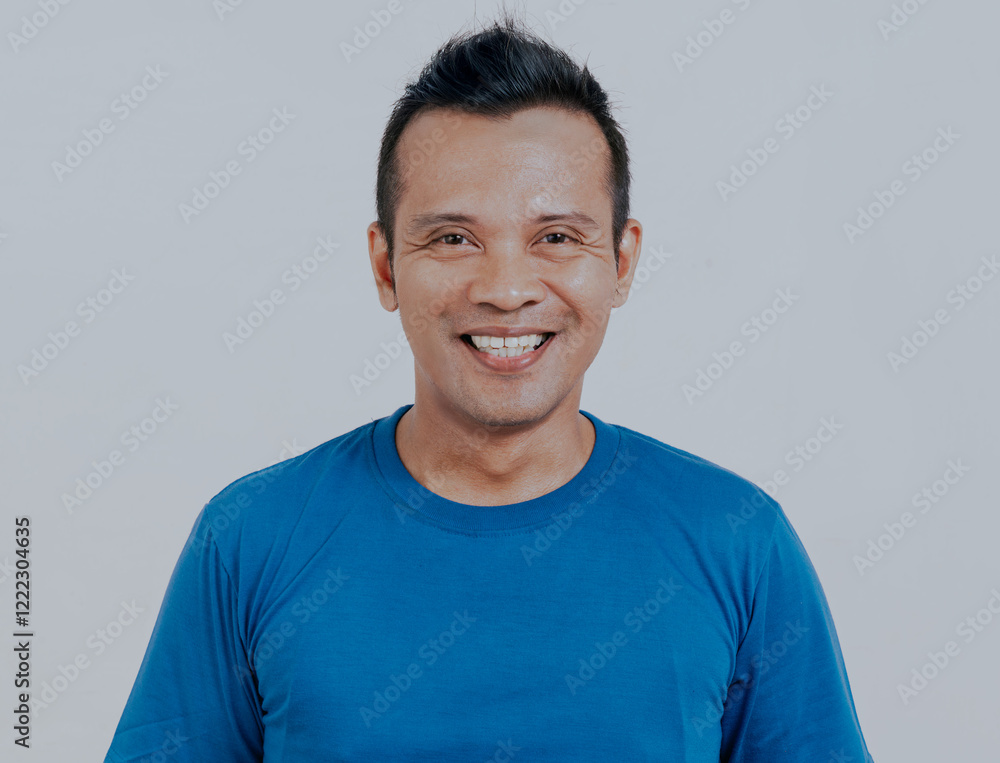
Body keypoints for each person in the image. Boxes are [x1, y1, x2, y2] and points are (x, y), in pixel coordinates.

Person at [105, 12, 876, 762]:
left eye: (556, 238)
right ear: (385, 266)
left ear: (623, 261)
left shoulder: (738, 543)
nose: (507, 288)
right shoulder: (250, 541)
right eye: (453, 238)